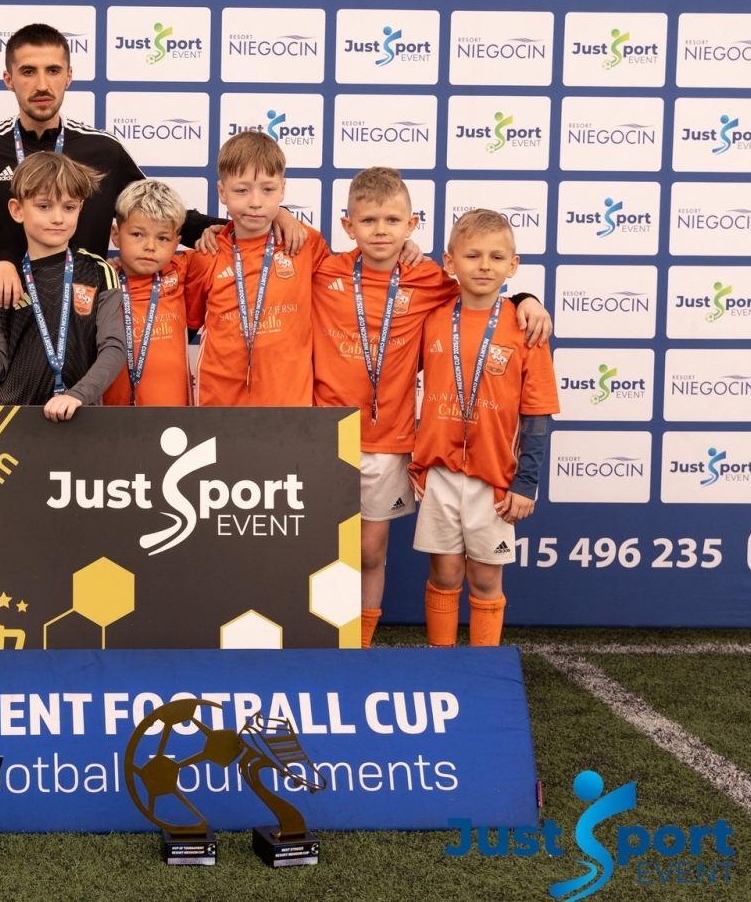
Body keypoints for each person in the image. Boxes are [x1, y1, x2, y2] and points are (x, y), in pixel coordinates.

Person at [0, 22, 275, 308]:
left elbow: (164, 216)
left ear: (69, 75)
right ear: (8, 79)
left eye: (53, 70)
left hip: (83, 320)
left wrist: (271, 223)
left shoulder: (102, 150)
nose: (42, 84)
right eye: (28, 72)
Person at [313, 167, 552, 648]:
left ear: (412, 224)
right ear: (348, 225)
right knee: (315, 550)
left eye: (392, 221)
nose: (381, 231)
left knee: (370, 550)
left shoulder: (431, 281)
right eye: (369, 221)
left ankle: (361, 648)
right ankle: (317, 645)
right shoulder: (322, 269)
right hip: (321, 434)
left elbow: (484, 293)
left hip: (393, 443)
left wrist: (528, 300)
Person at [409, 209, 558, 648]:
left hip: (494, 478)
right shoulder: (432, 317)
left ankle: (484, 667)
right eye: (472, 255)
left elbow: (537, 415)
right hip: (439, 471)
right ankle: (441, 662)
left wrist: (526, 482)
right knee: (444, 573)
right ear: (449, 262)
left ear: (513, 266)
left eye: (496, 257)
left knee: (486, 577)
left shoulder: (526, 327)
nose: (484, 266)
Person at [0, 152, 126, 420]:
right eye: (44, 206)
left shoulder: (98, 271)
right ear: (17, 210)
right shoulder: (2, 280)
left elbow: (113, 348)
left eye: (69, 207)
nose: (58, 218)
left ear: (80, 209)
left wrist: (78, 395)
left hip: (80, 418)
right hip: (13, 423)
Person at [186, 131, 328, 407]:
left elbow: (357, 273)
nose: (255, 202)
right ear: (222, 192)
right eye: (242, 190)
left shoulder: (304, 242)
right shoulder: (207, 254)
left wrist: (405, 248)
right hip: (219, 406)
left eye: (268, 189)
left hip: (290, 406)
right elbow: (184, 327)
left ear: (282, 190)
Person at [103, 179, 203, 406]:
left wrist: (279, 215)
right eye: (137, 234)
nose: (150, 246)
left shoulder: (183, 270)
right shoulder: (100, 281)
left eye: (163, 238)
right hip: (110, 416)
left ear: (176, 243)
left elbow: (237, 242)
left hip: (173, 417)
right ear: (116, 235)